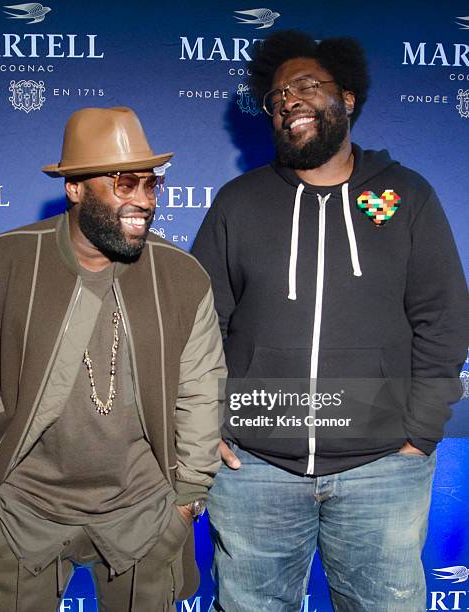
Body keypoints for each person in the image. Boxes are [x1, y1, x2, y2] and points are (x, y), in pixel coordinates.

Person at [192, 30, 468, 612]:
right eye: (276, 96)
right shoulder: (238, 203)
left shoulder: (407, 196)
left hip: (384, 467)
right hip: (256, 468)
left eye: (304, 86)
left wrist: (419, 431)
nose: (287, 100)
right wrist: (208, 424)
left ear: (346, 97)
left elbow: (443, 319)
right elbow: (199, 326)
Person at [0, 106, 226, 611]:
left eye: (150, 185)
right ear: (74, 187)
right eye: (125, 184)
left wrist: (186, 501)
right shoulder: (0, 263)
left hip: (145, 511)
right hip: (20, 510)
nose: (144, 201)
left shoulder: (182, 275)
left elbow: (202, 390)